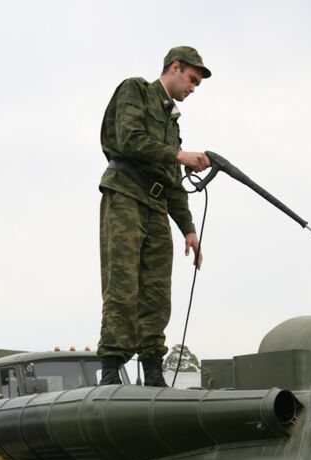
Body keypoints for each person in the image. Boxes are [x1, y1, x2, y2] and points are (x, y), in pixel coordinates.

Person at [97, 46, 212, 387]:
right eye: (191, 79)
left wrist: (189, 229)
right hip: (126, 195)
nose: (192, 88)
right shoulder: (136, 90)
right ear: (174, 68)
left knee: (157, 291)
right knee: (123, 283)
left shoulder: (173, 125)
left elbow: (173, 183)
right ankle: (111, 368)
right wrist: (178, 154)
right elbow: (129, 139)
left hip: (157, 206)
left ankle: (152, 369)